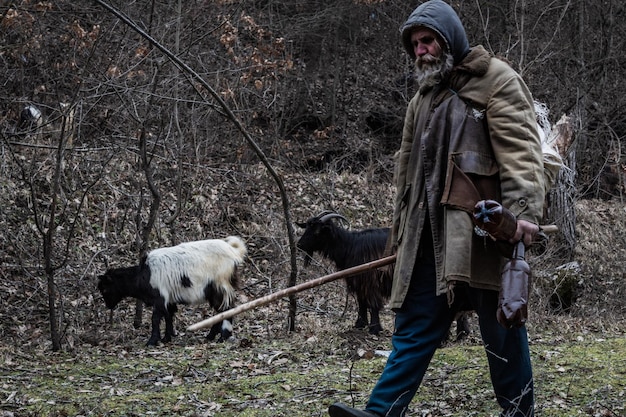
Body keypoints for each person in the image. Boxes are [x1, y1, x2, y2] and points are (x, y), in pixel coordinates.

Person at [328, 1, 545, 416]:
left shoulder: (496, 81)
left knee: (502, 330)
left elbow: (522, 154)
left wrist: (523, 215)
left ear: (449, 39)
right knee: (413, 329)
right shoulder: (421, 100)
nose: (420, 51)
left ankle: (519, 412)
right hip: (426, 241)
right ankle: (380, 413)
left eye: (427, 41)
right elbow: (406, 175)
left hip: (483, 235)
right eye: (414, 45)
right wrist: (400, 235)